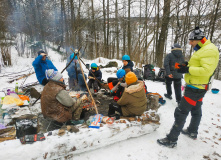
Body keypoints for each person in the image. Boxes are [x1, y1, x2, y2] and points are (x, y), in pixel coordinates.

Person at [157, 27, 219, 148]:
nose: (190, 43)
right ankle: (192, 131)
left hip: (195, 88)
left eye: (191, 41)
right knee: (196, 109)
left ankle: (171, 140)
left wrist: (188, 69)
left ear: (198, 39)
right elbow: (199, 63)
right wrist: (187, 65)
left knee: (181, 112)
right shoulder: (203, 49)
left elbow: (206, 70)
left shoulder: (209, 50)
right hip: (198, 86)